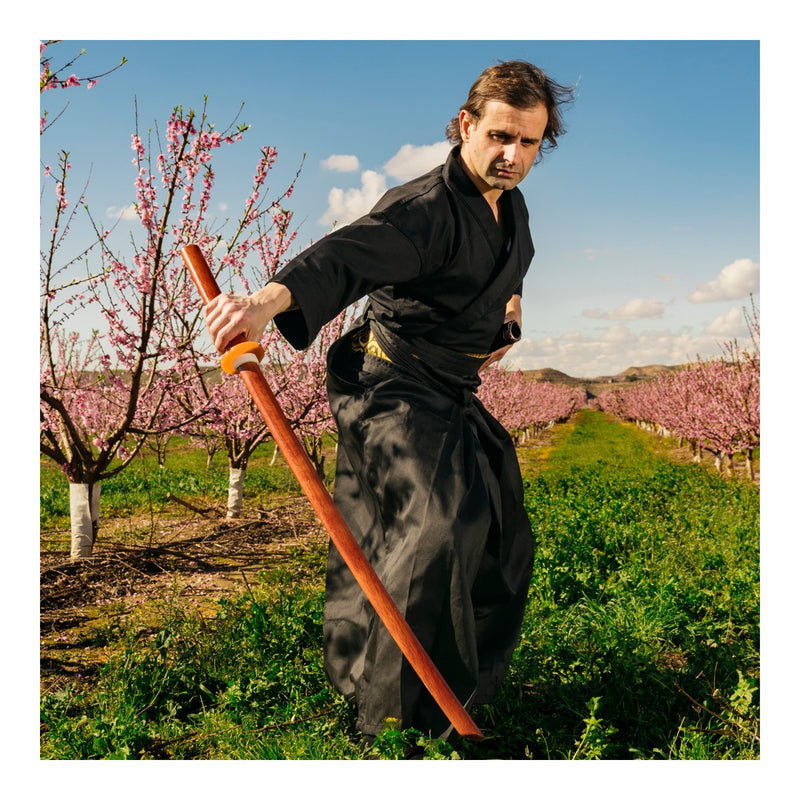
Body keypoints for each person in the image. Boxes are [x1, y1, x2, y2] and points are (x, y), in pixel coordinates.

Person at [204, 60, 573, 747]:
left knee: (499, 533)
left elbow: (510, 273)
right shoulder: (424, 208)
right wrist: (260, 304)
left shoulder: (509, 205)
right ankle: (393, 723)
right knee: (432, 530)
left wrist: (509, 319)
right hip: (391, 387)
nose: (511, 156)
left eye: (528, 143)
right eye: (498, 136)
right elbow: (344, 257)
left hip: (453, 391)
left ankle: (451, 688)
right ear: (466, 124)